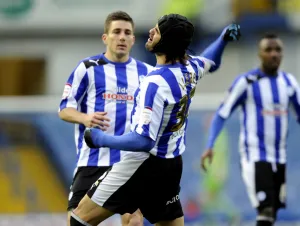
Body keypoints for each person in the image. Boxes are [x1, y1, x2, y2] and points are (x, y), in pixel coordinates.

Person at [70, 14, 241, 226]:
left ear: (167, 41)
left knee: (79, 220)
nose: (150, 32)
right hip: (170, 166)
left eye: (157, 31)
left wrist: (100, 138)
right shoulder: (188, 70)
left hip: (142, 165)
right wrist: (223, 39)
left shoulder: (155, 83)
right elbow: (210, 61)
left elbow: (144, 141)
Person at [58, 11, 153, 226]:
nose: (121, 37)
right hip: (92, 162)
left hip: (128, 163)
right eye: (116, 32)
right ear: (105, 37)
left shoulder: (147, 73)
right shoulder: (87, 68)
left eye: (127, 33)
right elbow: (64, 109)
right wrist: (85, 118)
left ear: (132, 39)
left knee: (135, 221)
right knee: (75, 222)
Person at [201, 33, 300, 226]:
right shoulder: (246, 82)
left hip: (279, 157)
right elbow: (222, 113)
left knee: (271, 212)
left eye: (278, 50)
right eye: (268, 50)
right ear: (259, 55)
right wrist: (210, 144)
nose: (273, 54)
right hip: (254, 156)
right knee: (266, 209)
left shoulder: (289, 82)